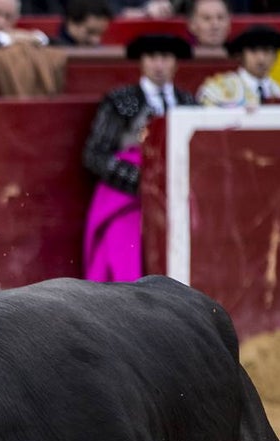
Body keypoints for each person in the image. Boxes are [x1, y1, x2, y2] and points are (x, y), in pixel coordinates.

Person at [81, 34, 196, 282]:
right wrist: (143, 182)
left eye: (165, 57)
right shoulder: (119, 102)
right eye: (152, 57)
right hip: (127, 199)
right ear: (141, 62)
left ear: (175, 63)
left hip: (177, 197)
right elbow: (95, 155)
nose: (159, 65)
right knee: (125, 265)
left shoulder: (188, 102)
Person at [197, 24, 280, 108]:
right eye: (253, 51)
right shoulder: (219, 87)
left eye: (267, 51)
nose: (261, 58)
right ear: (242, 55)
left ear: (275, 57)